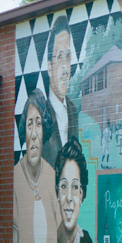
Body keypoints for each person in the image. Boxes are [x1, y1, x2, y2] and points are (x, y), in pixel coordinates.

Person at [13, 89, 60, 243]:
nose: (33, 134)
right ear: (24, 132)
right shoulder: (16, 177)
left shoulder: (51, 175)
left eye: (38, 124)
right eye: (29, 124)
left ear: (44, 131)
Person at [42, 17, 79, 167]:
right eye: (60, 57)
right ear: (49, 67)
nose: (65, 67)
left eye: (68, 57)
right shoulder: (39, 115)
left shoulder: (73, 111)